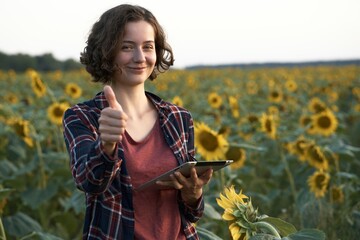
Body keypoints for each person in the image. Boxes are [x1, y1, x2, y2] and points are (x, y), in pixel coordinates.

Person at [62, 4, 213, 240]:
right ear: (106, 51)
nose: (139, 57)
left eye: (148, 47)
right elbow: (89, 182)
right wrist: (106, 144)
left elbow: (191, 214)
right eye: (126, 47)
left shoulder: (179, 118)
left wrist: (193, 195)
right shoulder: (83, 117)